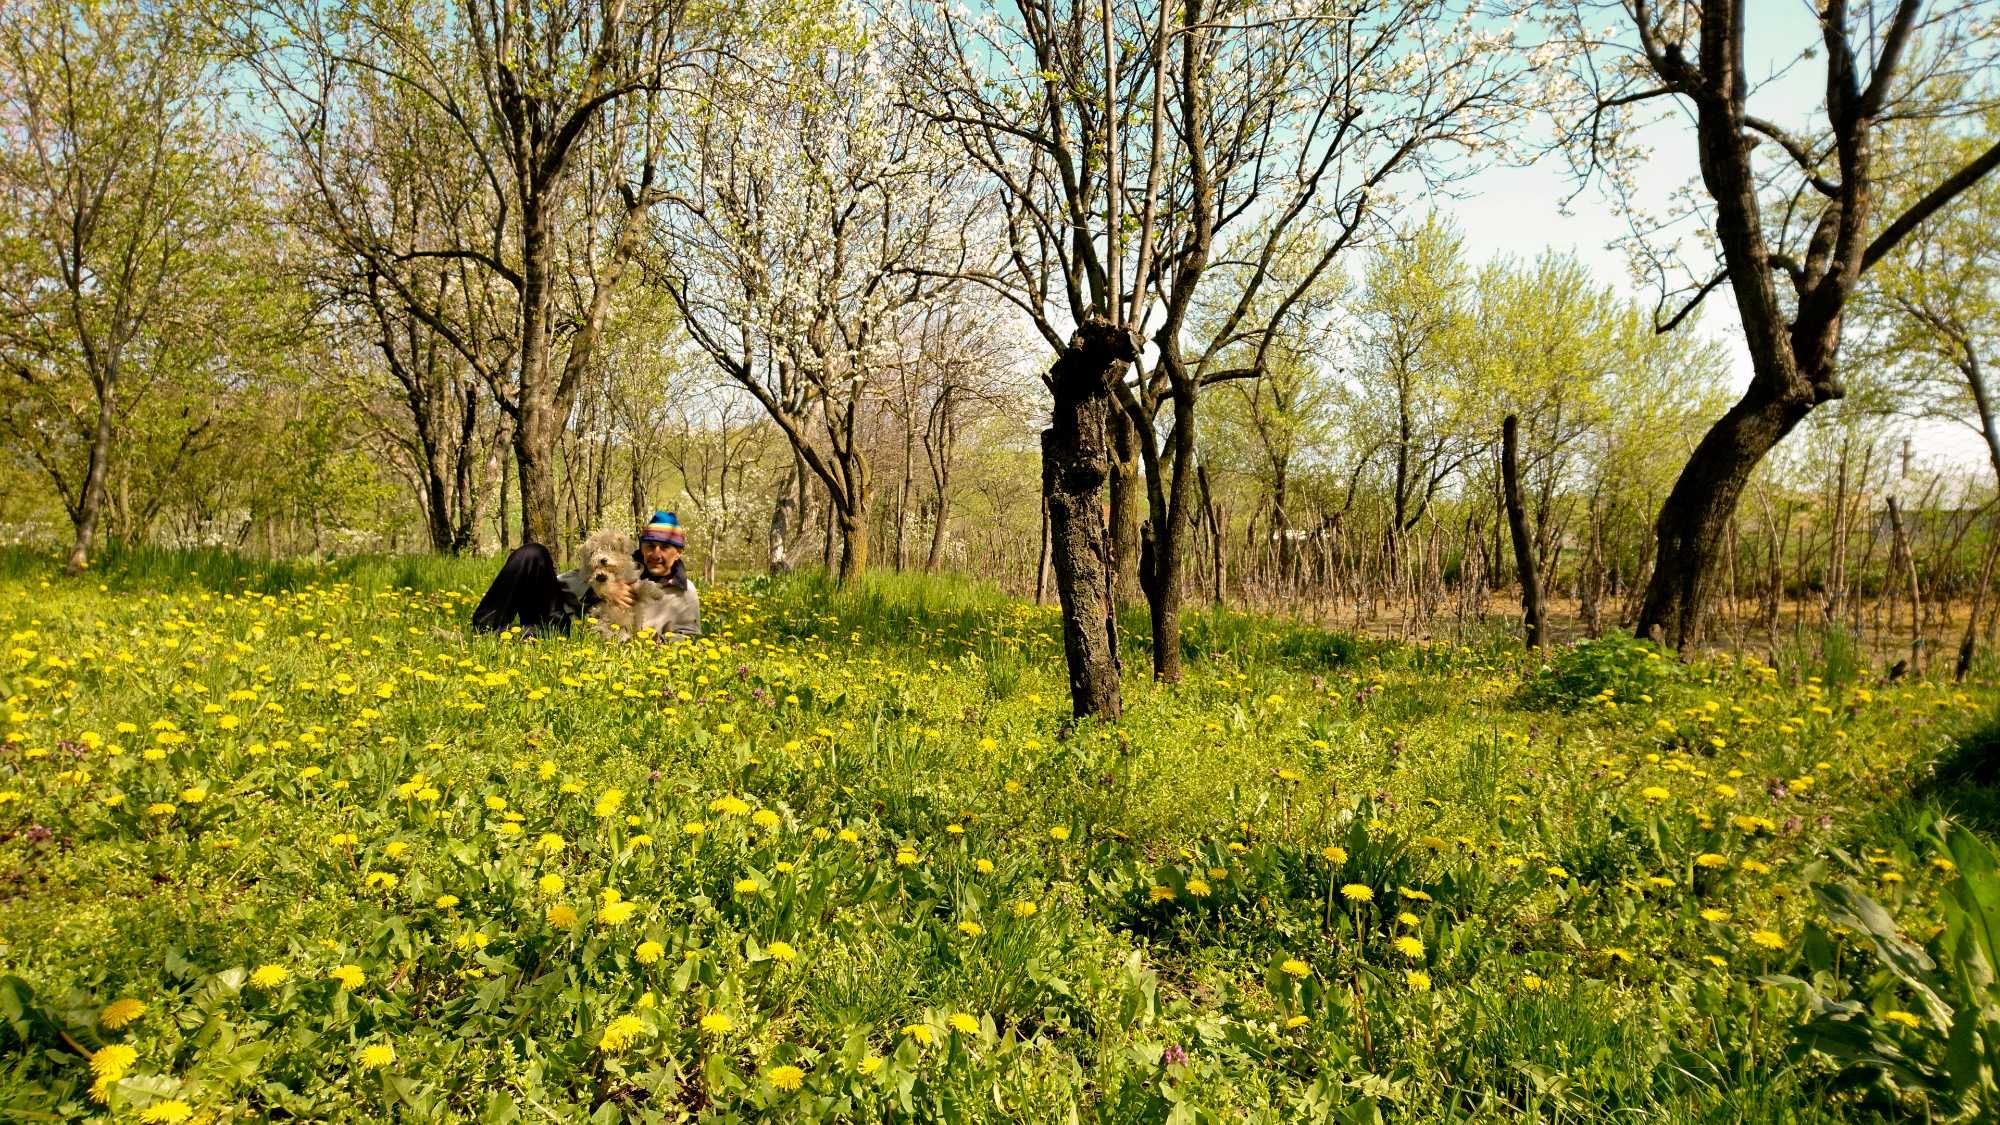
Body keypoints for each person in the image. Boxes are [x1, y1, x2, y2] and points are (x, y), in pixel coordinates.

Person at [472, 510, 701, 639]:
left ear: (678, 552)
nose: (655, 554)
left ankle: (523, 637)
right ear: (641, 547)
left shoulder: (685, 592)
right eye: (650, 546)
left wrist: (651, 642)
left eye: (665, 547)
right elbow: (560, 583)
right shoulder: (622, 565)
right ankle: (484, 629)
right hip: (562, 623)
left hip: (584, 641)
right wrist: (600, 589)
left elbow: (689, 638)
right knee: (532, 554)